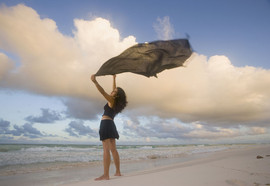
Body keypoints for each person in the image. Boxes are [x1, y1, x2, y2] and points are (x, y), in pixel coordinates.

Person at [91, 74, 127, 181]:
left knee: (106, 150)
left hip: (106, 124)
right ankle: (118, 171)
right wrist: (114, 79)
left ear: (116, 95)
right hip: (111, 124)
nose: (112, 91)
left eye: (114, 91)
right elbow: (113, 90)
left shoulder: (111, 100)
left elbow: (102, 92)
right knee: (114, 150)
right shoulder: (116, 101)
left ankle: (106, 175)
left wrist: (95, 82)